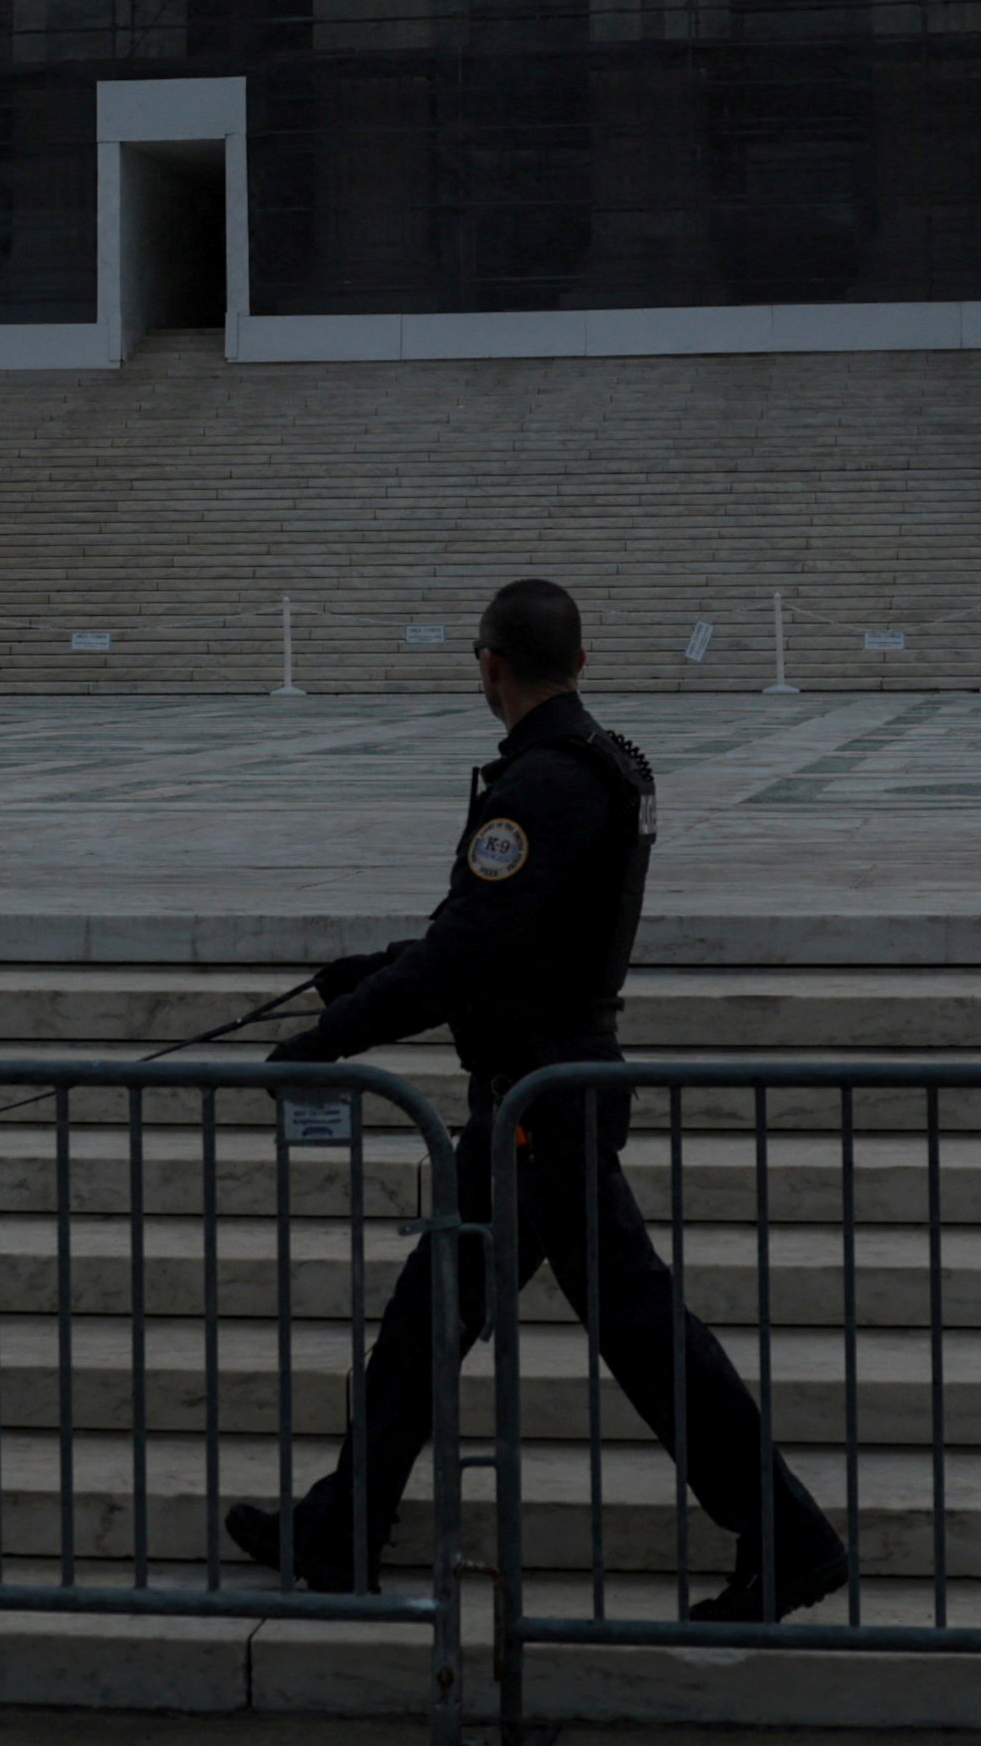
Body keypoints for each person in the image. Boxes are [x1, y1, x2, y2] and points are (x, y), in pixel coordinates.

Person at [225, 576, 851, 1621]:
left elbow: (464, 955)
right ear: (580, 663)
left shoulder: (542, 784)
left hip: (538, 1104)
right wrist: (361, 969)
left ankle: (788, 1537)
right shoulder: (603, 762)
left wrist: (325, 1038)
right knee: (437, 1312)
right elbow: (509, 933)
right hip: (549, 1086)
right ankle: (341, 1525)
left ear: (489, 665)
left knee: (630, 1329)